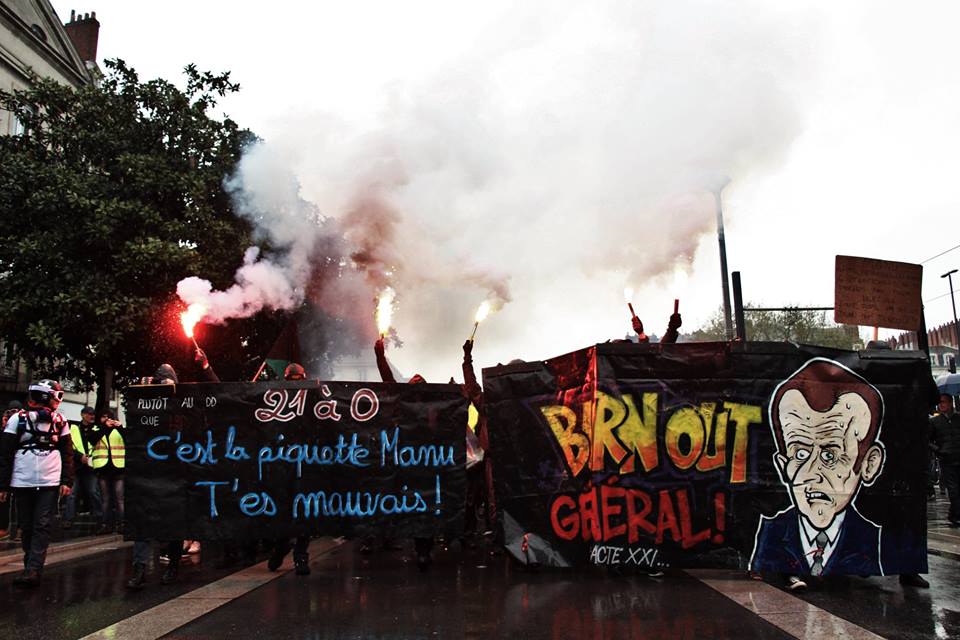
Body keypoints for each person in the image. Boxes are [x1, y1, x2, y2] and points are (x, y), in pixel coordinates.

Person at [750, 359, 887, 583]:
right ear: (782, 465)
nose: (811, 472)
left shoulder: (879, 540)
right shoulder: (769, 536)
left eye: (830, 455)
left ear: (869, 464)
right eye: (800, 455)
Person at [0, 379, 74, 587]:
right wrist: (3, 485)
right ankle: (29, 564)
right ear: (45, 396)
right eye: (56, 396)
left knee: (42, 525)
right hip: (22, 481)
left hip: (49, 481)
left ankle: (33, 569)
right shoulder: (17, 420)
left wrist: (66, 480)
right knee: (27, 525)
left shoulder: (60, 421)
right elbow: (5, 454)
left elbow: (67, 453)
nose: (59, 401)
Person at [374, 337, 432, 570]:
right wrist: (380, 356)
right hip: (402, 461)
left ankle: (423, 550)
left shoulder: (434, 407)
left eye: (419, 380)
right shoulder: (401, 401)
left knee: (423, 505)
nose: (415, 380)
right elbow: (388, 380)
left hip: (424, 462)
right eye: (412, 380)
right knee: (395, 501)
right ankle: (386, 537)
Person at [127, 364, 185, 589]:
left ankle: (173, 566)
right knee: (142, 522)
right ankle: (139, 569)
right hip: (147, 474)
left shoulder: (181, 406)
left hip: (173, 475)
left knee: (173, 524)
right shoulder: (144, 407)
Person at [267, 362, 312, 576]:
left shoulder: (313, 401)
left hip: (306, 464)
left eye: (298, 380)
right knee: (284, 509)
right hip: (282, 464)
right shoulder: (276, 401)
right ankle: (281, 546)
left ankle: (300, 556)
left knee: (303, 510)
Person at [63, 406, 103, 530]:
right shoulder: (74, 428)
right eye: (89, 414)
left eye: (93, 414)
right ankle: (68, 519)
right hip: (77, 466)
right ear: (82, 415)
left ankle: (100, 519)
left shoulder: (97, 428)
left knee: (93, 492)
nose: (92, 416)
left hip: (91, 466)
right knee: (72, 493)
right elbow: (69, 446)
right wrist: (80, 457)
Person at [91, 408, 125, 534]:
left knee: (119, 497)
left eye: (109, 417)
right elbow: (92, 439)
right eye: (104, 417)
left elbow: (129, 440)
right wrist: (104, 427)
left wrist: (120, 427)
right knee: (105, 498)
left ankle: (122, 523)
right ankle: (106, 524)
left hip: (118, 467)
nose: (107, 420)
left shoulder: (119, 429)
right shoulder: (97, 429)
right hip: (103, 468)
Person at [931, 393, 960, 527]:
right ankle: (955, 515)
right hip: (947, 459)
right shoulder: (935, 421)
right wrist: (939, 450)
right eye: (939, 402)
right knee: (953, 489)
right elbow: (928, 439)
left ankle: (954, 514)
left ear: (950, 403)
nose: (941, 405)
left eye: (944, 402)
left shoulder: (958, 418)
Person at [0, 401, 21, 539]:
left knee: (20, 499)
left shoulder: (25, 424)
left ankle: (20, 527)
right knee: (3, 497)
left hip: (20, 465)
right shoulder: (5, 427)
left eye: (16, 411)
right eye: (10, 411)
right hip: (6, 465)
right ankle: (3, 527)